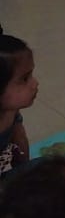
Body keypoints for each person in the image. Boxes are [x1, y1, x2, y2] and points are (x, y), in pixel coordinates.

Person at [0, 34, 37, 180]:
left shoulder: (11, 111)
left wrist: (25, 175)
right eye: (24, 79)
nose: (35, 83)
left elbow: (19, 140)